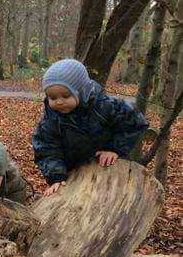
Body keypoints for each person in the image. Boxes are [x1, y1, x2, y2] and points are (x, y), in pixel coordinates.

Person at [32, 59, 148, 197]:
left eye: (66, 95)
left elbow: (134, 121)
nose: (59, 101)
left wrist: (114, 149)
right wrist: (56, 176)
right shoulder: (50, 121)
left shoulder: (103, 106)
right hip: (73, 175)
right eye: (52, 97)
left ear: (81, 91)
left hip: (109, 169)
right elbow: (46, 149)